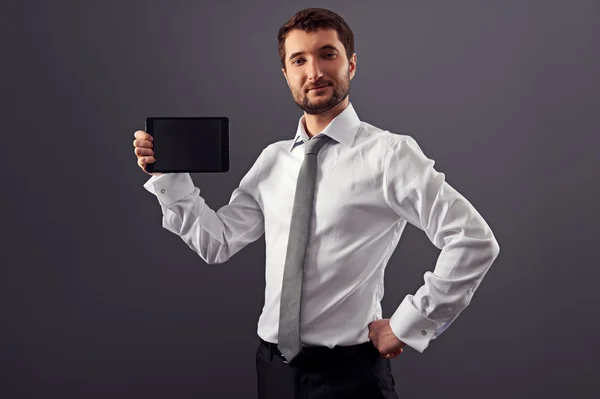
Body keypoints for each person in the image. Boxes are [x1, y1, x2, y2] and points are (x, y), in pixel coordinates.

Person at [132, 7, 500, 399]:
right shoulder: (273, 160)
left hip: (349, 376)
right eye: (299, 60)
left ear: (351, 64)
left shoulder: (389, 155)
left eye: (328, 54)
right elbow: (217, 243)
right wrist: (167, 177)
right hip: (273, 370)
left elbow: (473, 240)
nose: (314, 72)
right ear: (286, 74)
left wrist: (410, 323)